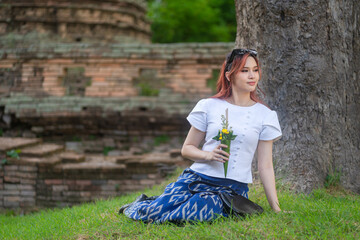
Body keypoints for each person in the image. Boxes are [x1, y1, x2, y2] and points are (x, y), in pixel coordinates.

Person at [120, 48, 282, 224]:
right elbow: (187, 149)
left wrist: (276, 208)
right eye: (245, 71)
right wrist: (208, 155)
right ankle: (143, 204)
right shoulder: (208, 106)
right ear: (229, 75)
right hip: (195, 177)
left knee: (193, 212)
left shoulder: (265, 115)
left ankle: (170, 205)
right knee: (155, 212)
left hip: (230, 189)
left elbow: (265, 166)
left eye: (255, 70)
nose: (252, 76)